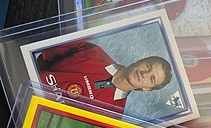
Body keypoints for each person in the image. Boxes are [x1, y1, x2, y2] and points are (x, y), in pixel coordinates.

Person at [35, 40, 172, 112]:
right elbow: (43, 52)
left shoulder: (113, 113)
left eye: (151, 78)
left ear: (147, 89)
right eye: (148, 66)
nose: (144, 74)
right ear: (140, 60)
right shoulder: (93, 52)